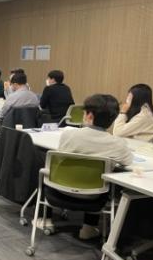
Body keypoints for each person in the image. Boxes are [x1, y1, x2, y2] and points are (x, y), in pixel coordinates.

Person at [38, 94, 133, 239]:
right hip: (94, 197)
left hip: (59, 191)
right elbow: (128, 161)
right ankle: (88, 227)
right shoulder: (118, 144)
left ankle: (45, 219)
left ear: (89, 116)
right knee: (103, 175)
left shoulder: (69, 135)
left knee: (45, 166)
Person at [0, 72, 39, 144]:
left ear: (15, 84)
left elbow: (1, 116)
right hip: (29, 127)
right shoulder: (34, 96)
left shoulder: (13, 97)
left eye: (11, 84)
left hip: (10, 127)